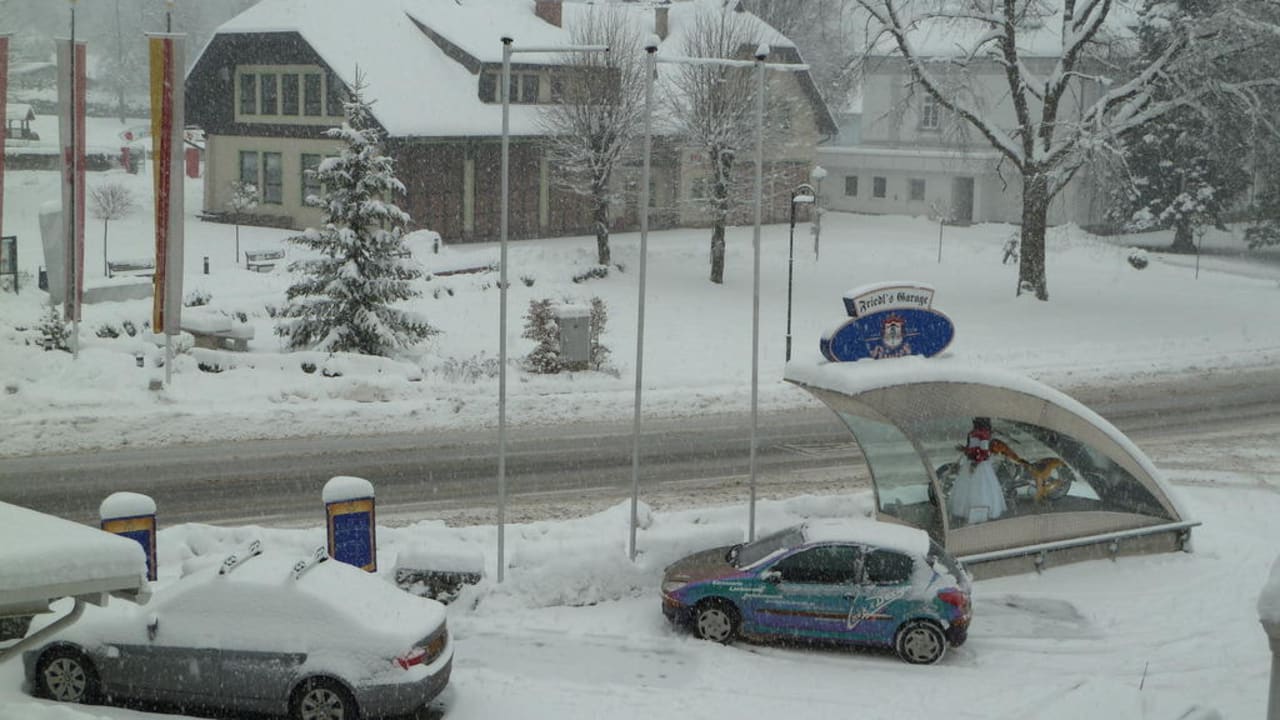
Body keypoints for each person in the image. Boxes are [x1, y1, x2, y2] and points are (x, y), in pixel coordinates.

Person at [947, 417, 1007, 524]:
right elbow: (979, 450)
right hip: (976, 463)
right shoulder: (981, 434)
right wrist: (966, 450)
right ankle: (978, 512)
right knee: (982, 488)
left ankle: (972, 511)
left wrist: (976, 461)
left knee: (973, 487)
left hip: (977, 464)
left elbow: (983, 451)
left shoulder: (979, 434)